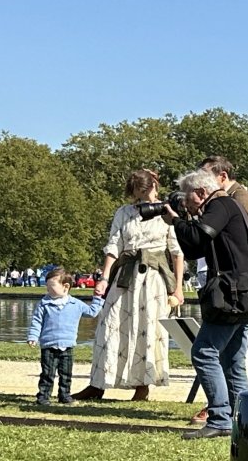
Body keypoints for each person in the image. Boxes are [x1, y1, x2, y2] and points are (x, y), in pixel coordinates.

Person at [73, 169, 185, 402]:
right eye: (138, 192)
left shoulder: (167, 213)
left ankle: (142, 385)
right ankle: (98, 383)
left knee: (148, 329)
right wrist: (104, 279)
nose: (143, 197)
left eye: (146, 191)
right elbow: (114, 245)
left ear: (155, 186)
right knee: (109, 325)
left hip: (153, 279)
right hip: (125, 275)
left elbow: (177, 253)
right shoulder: (124, 212)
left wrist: (178, 288)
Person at [165, 168, 248, 440]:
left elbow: (199, 236)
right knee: (232, 358)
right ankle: (241, 420)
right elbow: (195, 249)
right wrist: (182, 222)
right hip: (247, 293)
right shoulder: (229, 207)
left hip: (233, 295)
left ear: (202, 192)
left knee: (204, 352)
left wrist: (175, 220)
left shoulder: (220, 205)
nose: (186, 203)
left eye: (188, 198)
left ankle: (220, 417)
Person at [28, 267, 105, 405]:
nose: (48, 290)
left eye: (51, 286)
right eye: (47, 287)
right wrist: (33, 336)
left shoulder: (75, 304)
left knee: (66, 374)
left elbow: (92, 312)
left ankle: (64, 395)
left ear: (66, 287)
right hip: (48, 345)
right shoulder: (44, 304)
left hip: (67, 345)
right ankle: (43, 396)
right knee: (47, 373)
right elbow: (36, 321)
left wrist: (98, 298)